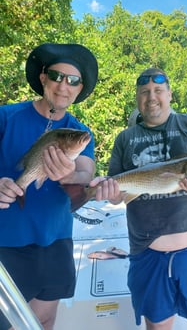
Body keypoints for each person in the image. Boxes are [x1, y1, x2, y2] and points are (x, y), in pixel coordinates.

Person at [91, 67, 187, 330]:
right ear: (137, 98)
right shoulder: (125, 138)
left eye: (158, 91)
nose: (152, 97)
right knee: (157, 325)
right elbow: (118, 196)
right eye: (144, 92)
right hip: (147, 254)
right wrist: (108, 193)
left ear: (170, 94)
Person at [0, 43, 98, 330]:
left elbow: (85, 171)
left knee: (43, 321)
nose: (63, 86)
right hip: (5, 243)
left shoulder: (79, 132)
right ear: (43, 78)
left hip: (54, 241)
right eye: (56, 76)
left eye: (73, 81)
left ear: (80, 89)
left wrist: (69, 173)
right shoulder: (6, 117)